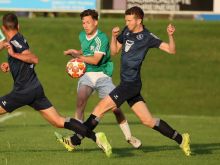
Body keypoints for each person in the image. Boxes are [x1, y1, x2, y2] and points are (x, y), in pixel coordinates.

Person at [55, 6, 191, 157]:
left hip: (130, 84)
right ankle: (181, 139)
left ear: (139, 20)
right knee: (147, 120)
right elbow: (114, 51)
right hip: (128, 83)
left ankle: (74, 141)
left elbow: (171, 50)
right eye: (126, 19)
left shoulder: (147, 37)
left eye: (129, 20)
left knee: (99, 109)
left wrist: (170, 35)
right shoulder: (126, 31)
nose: (126, 22)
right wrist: (114, 37)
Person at [0, 13, 112, 157]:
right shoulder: (18, 39)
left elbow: (33, 58)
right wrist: (10, 64)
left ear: (3, 28)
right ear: (18, 26)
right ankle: (96, 137)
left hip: (23, 91)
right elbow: (24, 60)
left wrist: (14, 56)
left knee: (59, 121)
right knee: (59, 121)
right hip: (34, 89)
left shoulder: (15, 41)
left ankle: (93, 137)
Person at [55, 9, 141, 150]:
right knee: (80, 101)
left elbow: (95, 60)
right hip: (87, 75)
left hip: (103, 76)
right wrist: (76, 52)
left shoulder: (102, 38)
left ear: (96, 22)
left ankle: (129, 137)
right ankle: (76, 137)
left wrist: (78, 58)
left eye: (88, 22)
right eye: (83, 22)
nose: (85, 25)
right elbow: (87, 51)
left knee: (116, 108)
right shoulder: (82, 35)